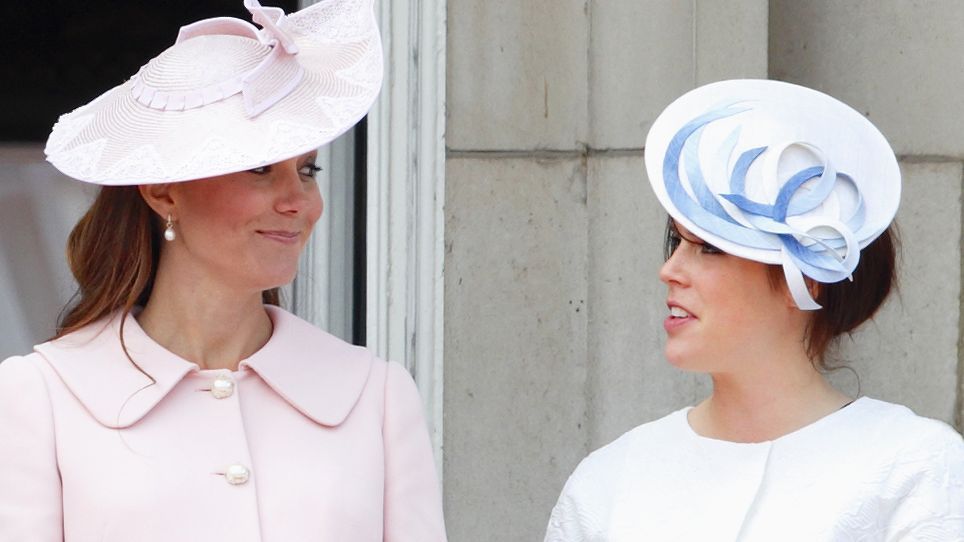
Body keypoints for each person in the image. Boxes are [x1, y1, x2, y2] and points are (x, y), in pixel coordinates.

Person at [0, 1, 447, 540]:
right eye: (260, 169)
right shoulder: (42, 396)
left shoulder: (376, 395)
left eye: (307, 170)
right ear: (164, 190)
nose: (298, 201)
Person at [544, 80, 964, 541]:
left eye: (707, 248)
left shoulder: (915, 472)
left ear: (805, 279)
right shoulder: (610, 481)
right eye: (675, 242)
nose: (670, 270)